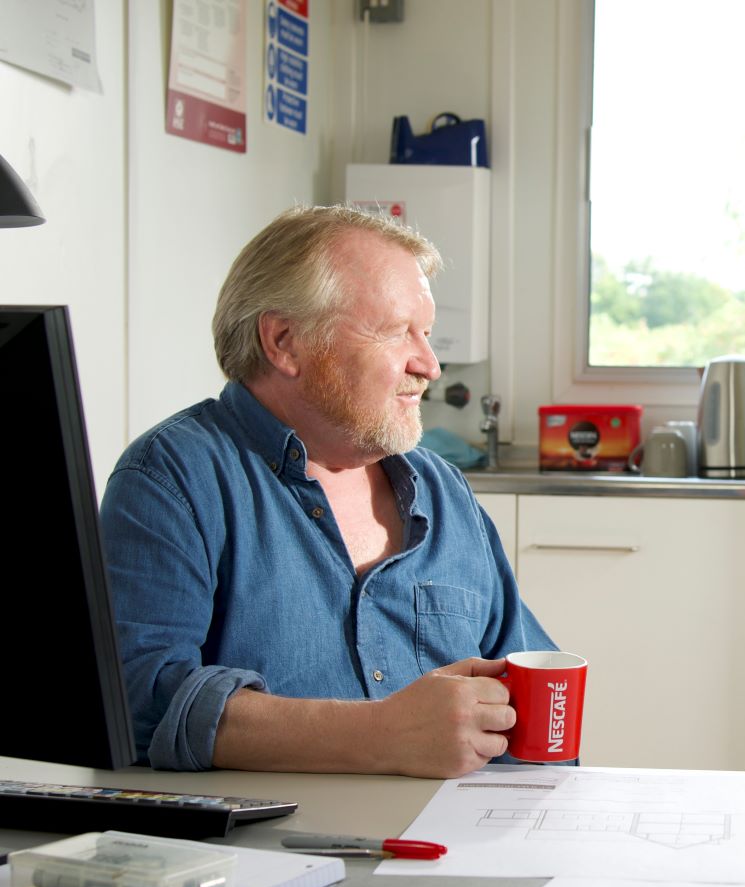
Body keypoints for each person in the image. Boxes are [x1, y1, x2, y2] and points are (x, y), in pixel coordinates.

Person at [101, 205, 556, 777]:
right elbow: (139, 706)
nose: (430, 365)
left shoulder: (443, 490)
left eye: (427, 334)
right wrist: (382, 735)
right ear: (285, 341)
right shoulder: (172, 479)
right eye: (395, 332)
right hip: (273, 856)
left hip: (451, 843)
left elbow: (536, 695)